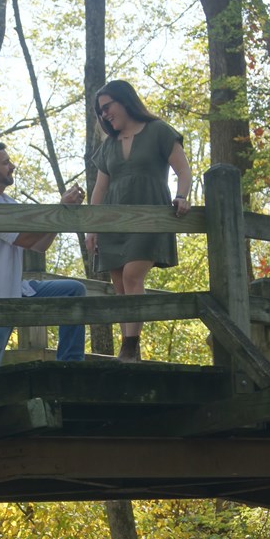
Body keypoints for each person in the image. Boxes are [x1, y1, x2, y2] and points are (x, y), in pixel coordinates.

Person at [85, 79, 192, 361]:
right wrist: (91, 229)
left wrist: (182, 196)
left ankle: (128, 347)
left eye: (108, 107)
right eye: (101, 111)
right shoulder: (108, 146)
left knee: (133, 275)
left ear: (125, 101)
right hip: (112, 221)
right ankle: (129, 348)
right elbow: (100, 189)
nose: (105, 114)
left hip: (149, 217)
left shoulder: (158, 131)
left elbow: (183, 169)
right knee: (120, 284)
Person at [0, 142, 86, 370]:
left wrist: (63, 212)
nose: (12, 166)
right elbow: (25, 239)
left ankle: (70, 370)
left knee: (73, 291)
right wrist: (58, 208)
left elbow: (39, 245)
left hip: (14, 291)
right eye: (6, 162)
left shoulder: (9, 203)